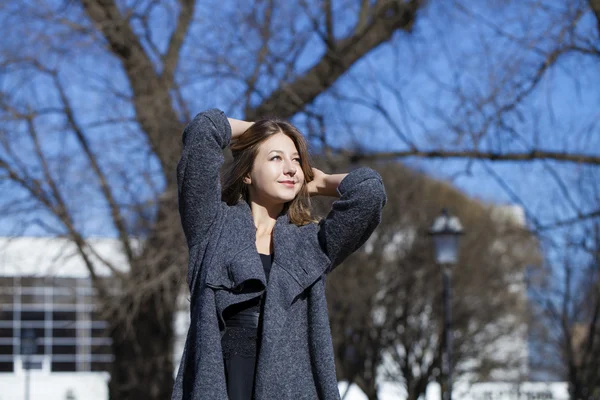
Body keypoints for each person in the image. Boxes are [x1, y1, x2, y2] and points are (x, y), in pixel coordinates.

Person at [172, 109, 386, 400]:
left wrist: (322, 183)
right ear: (247, 173)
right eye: (276, 158)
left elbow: (369, 193)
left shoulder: (311, 242)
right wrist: (259, 130)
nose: (291, 169)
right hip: (220, 384)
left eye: (296, 160)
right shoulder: (210, 226)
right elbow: (203, 131)